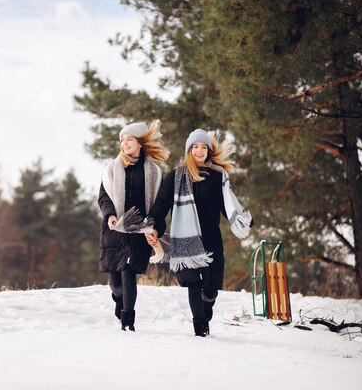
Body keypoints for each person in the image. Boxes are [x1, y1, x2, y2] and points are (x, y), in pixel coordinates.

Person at [145, 129, 252, 336]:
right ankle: (200, 330)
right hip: (185, 242)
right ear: (189, 150)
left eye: (204, 147)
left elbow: (228, 206)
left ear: (209, 151)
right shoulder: (175, 177)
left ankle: (206, 311)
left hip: (211, 240)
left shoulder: (217, 177)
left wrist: (240, 219)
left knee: (211, 291)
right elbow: (160, 207)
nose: (200, 150)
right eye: (196, 147)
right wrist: (154, 228)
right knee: (194, 283)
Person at [98, 120, 169, 331]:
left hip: (138, 232)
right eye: (122, 140)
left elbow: (159, 203)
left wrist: (154, 228)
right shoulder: (111, 169)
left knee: (129, 274)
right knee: (116, 282)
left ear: (140, 142)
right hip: (115, 230)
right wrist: (109, 214)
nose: (125, 143)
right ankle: (119, 299)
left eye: (130, 139)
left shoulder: (154, 172)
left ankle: (128, 323)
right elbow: (103, 197)